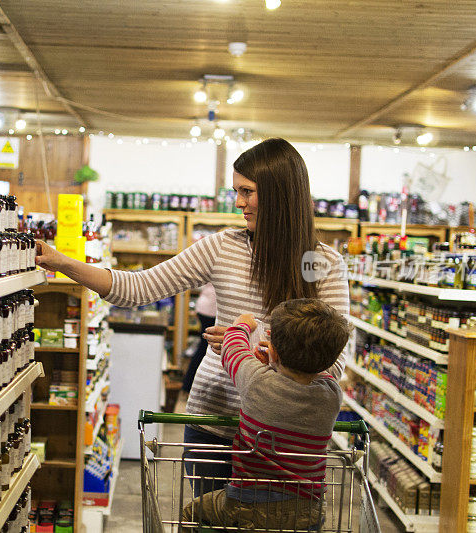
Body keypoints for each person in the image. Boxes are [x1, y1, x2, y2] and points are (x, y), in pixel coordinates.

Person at [35, 138, 348, 493]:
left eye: (247, 191)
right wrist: (61, 263)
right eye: (236, 191)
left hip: (284, 433)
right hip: (212, 422)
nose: (239, 203)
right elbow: (136, 289)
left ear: (279, 194)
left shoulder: (320, 263)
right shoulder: (222, 247)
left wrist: (245, 340)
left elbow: (333, 359)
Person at [180, 298, 350, 531]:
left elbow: (233, 348)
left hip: (249, 505)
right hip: (307, 510)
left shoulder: (257, 381)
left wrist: (241, 325)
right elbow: (315, 373)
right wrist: (275, 361)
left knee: (192, 512)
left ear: (274, 349)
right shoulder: (332, 394)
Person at [182, 282, 216, 393]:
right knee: (205, 349)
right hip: (211, 310)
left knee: (204, 348)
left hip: (205, 307)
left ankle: (188, 385)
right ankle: (189, 385)